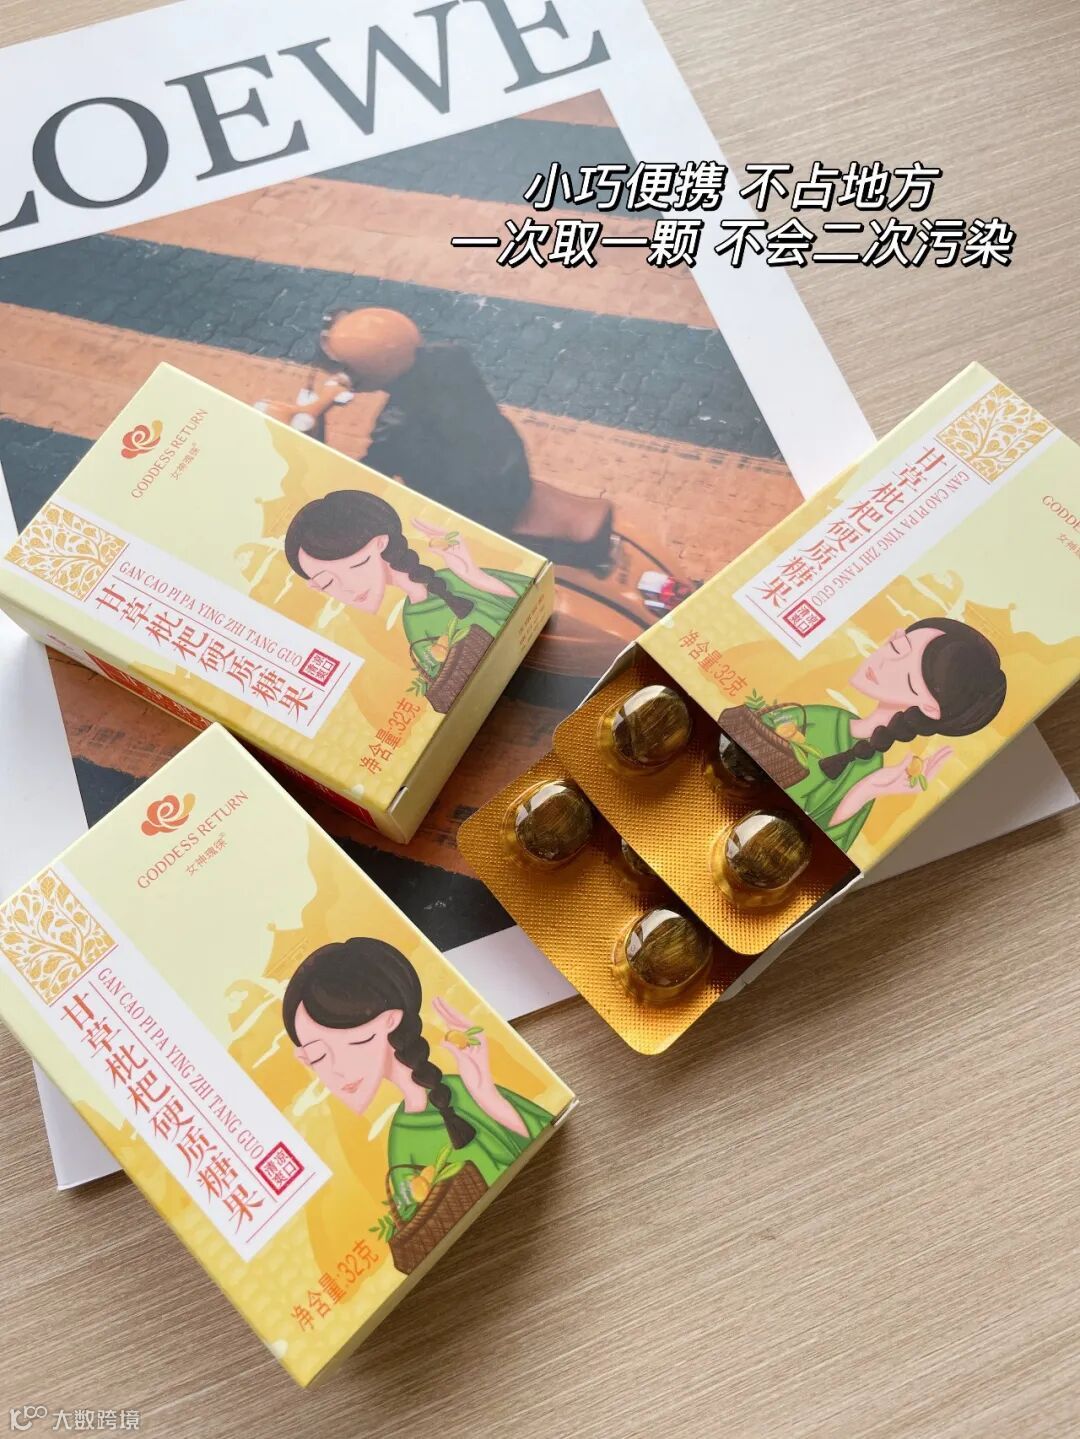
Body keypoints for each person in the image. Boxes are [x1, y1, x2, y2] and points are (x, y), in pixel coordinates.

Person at [282, 939, 552, 1186]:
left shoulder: (461, 1091)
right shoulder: (403, 1133)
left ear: (391, 1020)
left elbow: (539, 1135)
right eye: (317, 1056)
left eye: (356, 1043)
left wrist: (485, 1094)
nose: (338, 1070)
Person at [775, 617, 1007, 852]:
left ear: (929, 708)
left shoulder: (867, 767)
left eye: (907, 680)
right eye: (896, 648)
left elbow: (814, 844)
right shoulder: (831, 718)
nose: (883, 663)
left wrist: (869, 788)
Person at [317, 307, 534, 535]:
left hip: (479, 503)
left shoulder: (395, 425)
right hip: (509, 465)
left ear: (371, 370)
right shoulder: (450, 355)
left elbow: (371, 476)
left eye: (349, 369)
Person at [284, 490, 529, 686]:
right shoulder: (413, 617)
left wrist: (475, 577)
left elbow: (529, 604)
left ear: (381, 543)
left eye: (357, 565)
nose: (348, 588)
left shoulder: (451, 581)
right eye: (326, 582)